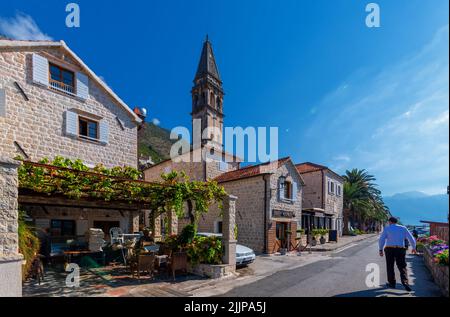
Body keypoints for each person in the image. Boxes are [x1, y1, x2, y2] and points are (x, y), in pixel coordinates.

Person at [379, 217, 417, 292]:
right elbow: (411, 238)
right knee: (402, 266)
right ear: (396, 222)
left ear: (390, 221)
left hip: (389, 249)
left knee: (390, 266)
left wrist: (380, 249)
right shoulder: (403, 228)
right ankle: (405, 283)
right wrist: (414, 247)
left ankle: (392, 283)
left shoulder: (387, 228)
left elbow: (382, 239)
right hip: (400, 249)